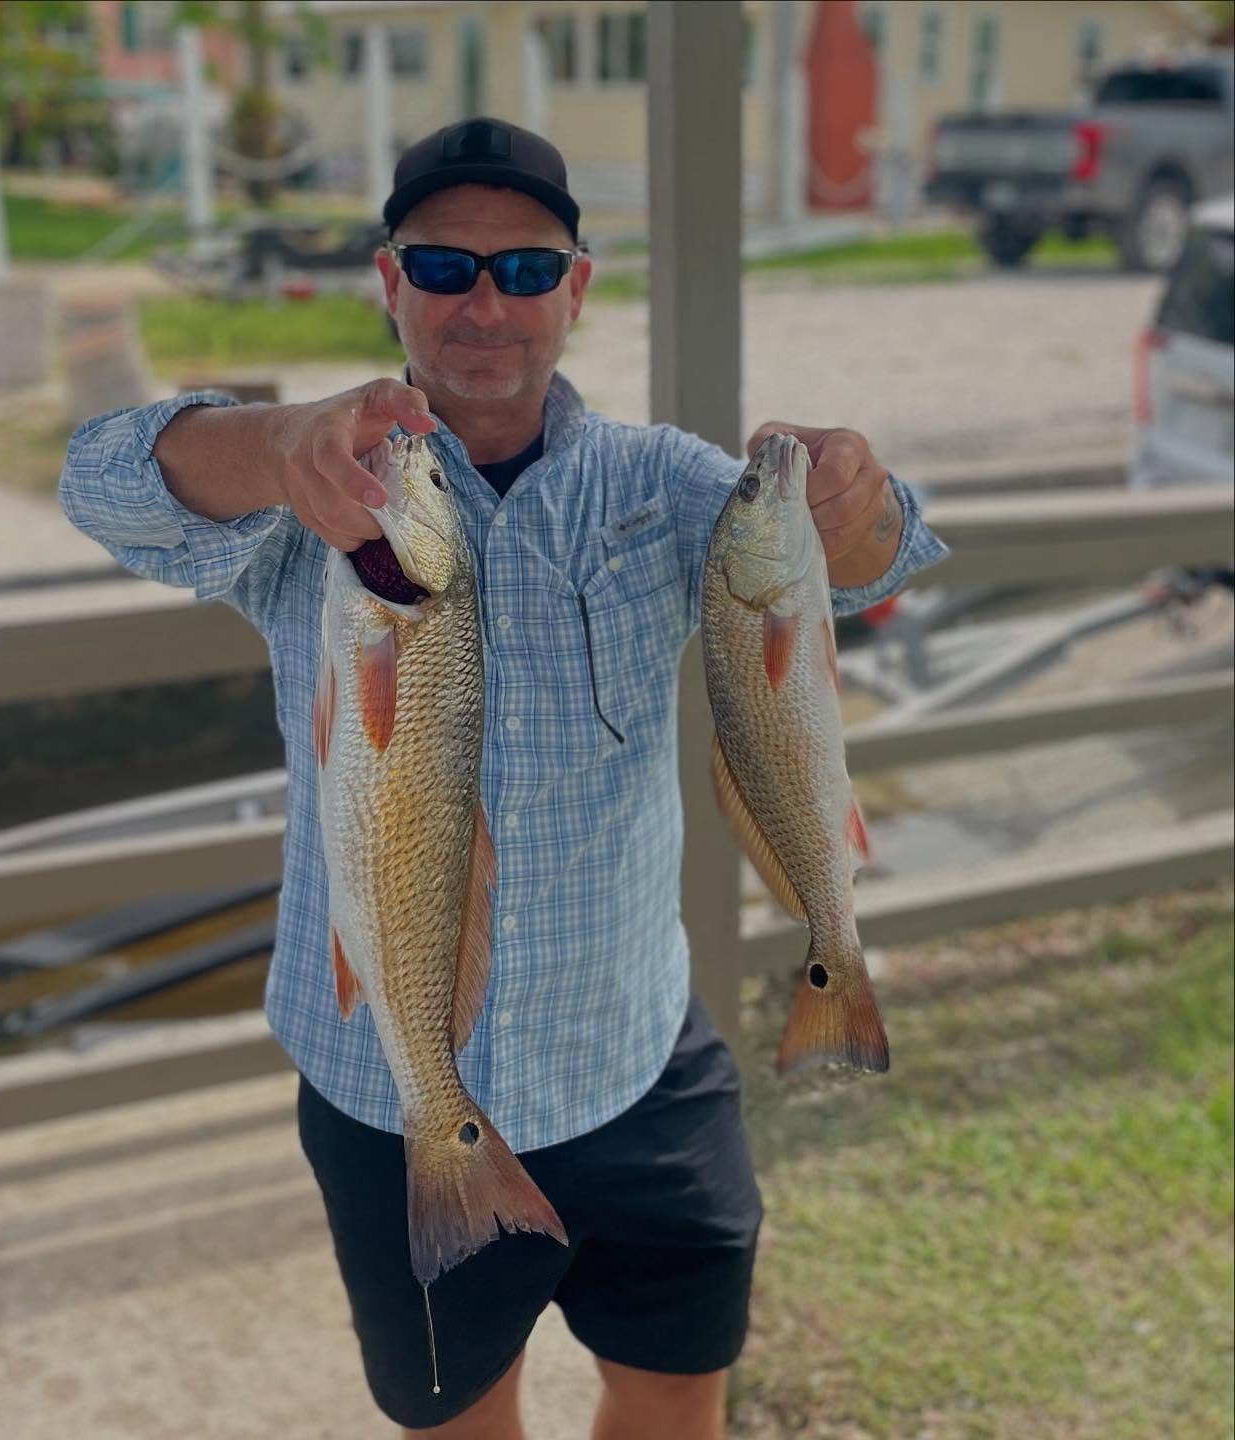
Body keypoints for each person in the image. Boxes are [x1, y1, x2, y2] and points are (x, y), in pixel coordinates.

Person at [59, 118, 947, 1440]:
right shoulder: (318, 506)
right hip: (391, 1084)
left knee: (675, 1391)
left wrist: (850, 497)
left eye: (526, 272)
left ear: (578, 290)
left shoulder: (666, 484)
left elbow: (881, 557)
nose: (485, 303)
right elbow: (99, 482)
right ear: (389, 281)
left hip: (635, 1055)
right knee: (461, 1418)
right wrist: (276, 444)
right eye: (444, 267)